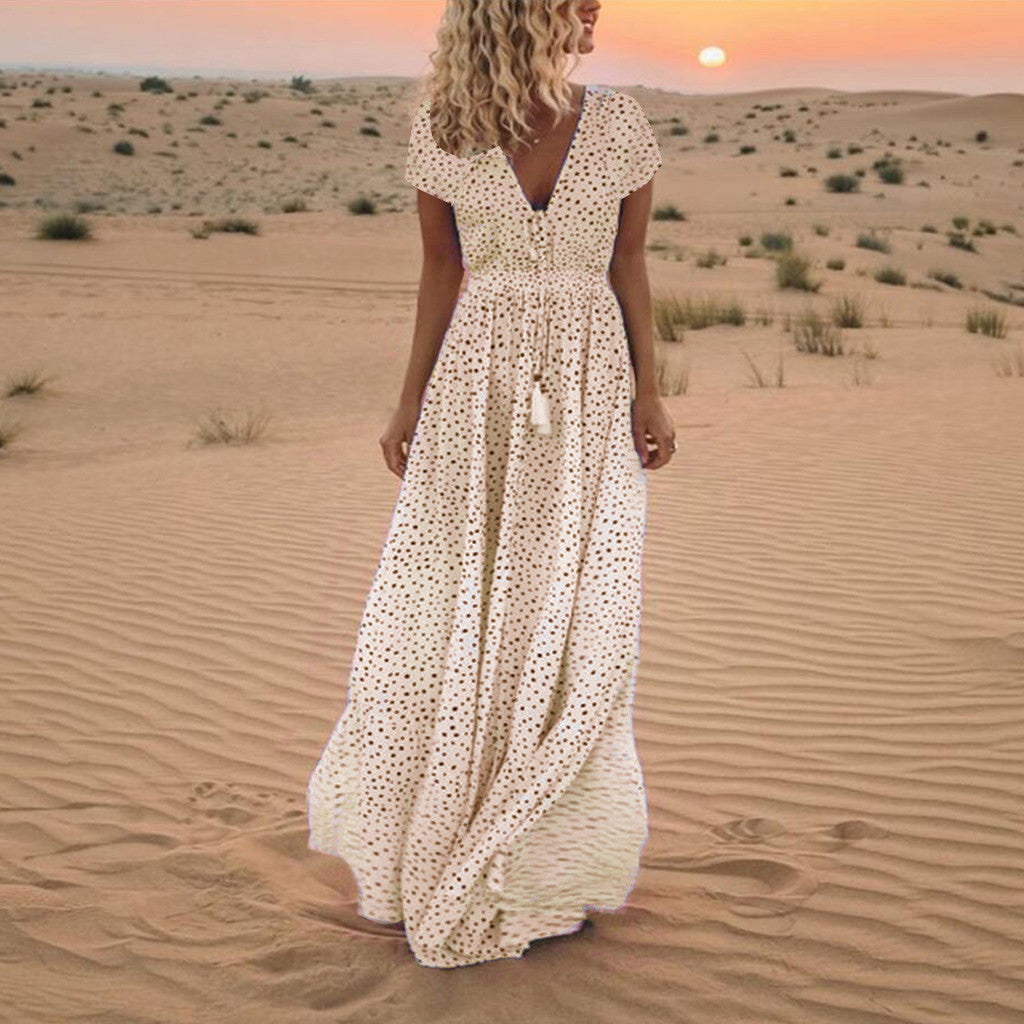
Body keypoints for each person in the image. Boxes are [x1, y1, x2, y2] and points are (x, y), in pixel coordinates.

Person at [308, 0, 676, 969]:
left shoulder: (620, 124)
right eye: (577, 2)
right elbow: (441, 271)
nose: (595, 12)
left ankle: (536, 838)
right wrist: (409, 401)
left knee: (573, 605)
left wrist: (651, 389)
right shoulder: (445, 129)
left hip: (588, 386)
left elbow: (629, 264)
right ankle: (455, 826)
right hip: (479, 391)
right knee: (468, 602)